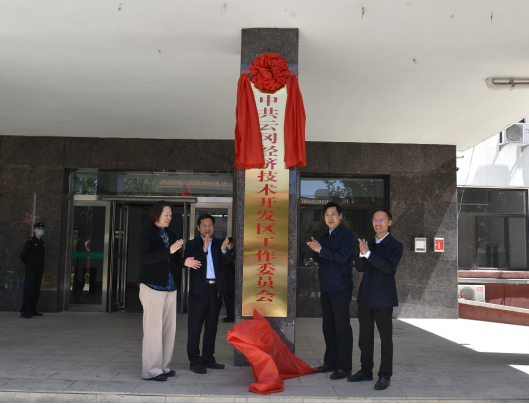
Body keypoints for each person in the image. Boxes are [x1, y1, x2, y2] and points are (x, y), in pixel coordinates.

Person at [137, 201, 202, 382]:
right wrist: (169, 251)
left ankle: (163, 367)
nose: (169, 218)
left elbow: (175, 259)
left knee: (168, 330)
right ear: (156, 214)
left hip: (170, 288)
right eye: (166, 214)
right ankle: (151, 371)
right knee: (153, 331)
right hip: (152, 286)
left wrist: (184, 262)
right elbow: (145, 258)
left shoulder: (171, 234)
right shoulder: (146, 233)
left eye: (171, 215)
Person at [348, 209, 404, 391]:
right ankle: (365, 370)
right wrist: (362, 252)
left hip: (384, 299)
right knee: (365, 338)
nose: (377, 223)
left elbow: (388, 268)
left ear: (390, 222)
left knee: (385, 340)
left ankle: (384, 375)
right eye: (375, 219)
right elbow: (360, 268)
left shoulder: (396, 245)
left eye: (382, 219)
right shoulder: (369, 243)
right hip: (365, 298)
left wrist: (369, 253)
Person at [307, 202, 356, 381]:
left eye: (333, 214)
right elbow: (321, 257)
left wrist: (321, 249)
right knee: (328, 327)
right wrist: (315, 249)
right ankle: (331, 362)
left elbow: (342, 257)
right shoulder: (325, 236)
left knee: (342, 328)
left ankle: (344, 367)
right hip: (326, 287)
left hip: (341, 287)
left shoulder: (347, 235)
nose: (330, 217)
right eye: (327, 214)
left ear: (340, 215)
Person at [184, 214, 232, 375]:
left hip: (215, 290)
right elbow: (191, 262)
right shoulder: (192, 245)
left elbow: (227, 263)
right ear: (198, 228)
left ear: (213, 227)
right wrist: (204, 249)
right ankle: (194, 361)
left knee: (212, 326)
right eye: (203, 225)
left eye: (210, 225)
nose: (207, 228)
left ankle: (208, 359)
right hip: (199, 290)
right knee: (195, 327)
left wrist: (225, 251)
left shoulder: (219, 244)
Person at [19, 222, 47, 319]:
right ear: (34, 230)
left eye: (42, 228)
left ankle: (32, 309)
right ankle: (24, 310)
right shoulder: (30, 241)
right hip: (31, 269)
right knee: (29, 290)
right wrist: (29, 263)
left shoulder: (42, 242)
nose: (41, 230)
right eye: (39, 228)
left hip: (39, 269)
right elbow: (22, 255)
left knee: (36, 290)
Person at [223, 237, 236, 324]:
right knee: (227, 298)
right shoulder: (225, 252)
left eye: (230, 243)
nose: (229, 245)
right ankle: (229, 315)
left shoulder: (234, 254)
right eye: (228, 243)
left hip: (231, 279)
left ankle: (231, 316)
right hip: (225, 279)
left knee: (230, 298)